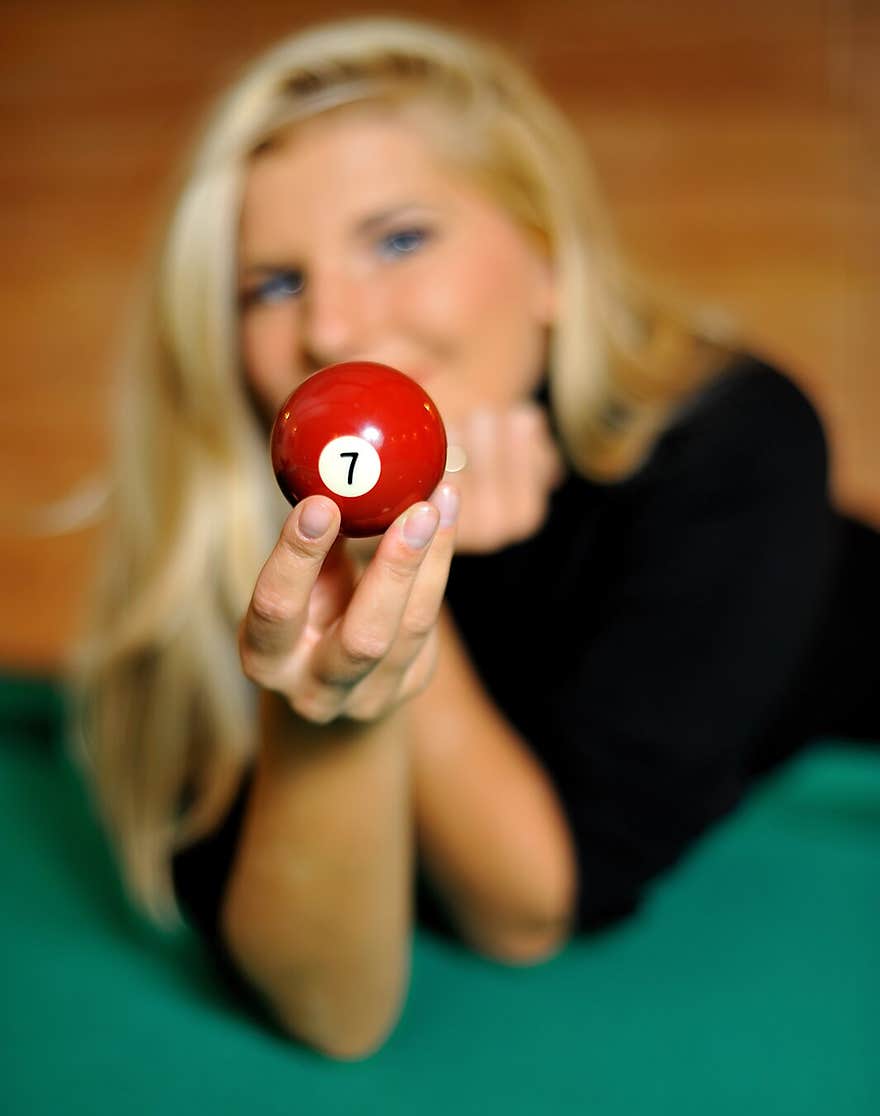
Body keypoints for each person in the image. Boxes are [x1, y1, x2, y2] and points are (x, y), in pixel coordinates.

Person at [66, 15, 878, 1061]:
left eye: (399, 238)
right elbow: (331, 1013)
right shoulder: (251, 568)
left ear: (546, 262)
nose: (332, 329)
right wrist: (359, 626)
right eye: (272, 285)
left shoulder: (729, 440)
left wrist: (408, 594)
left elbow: (527, 911)